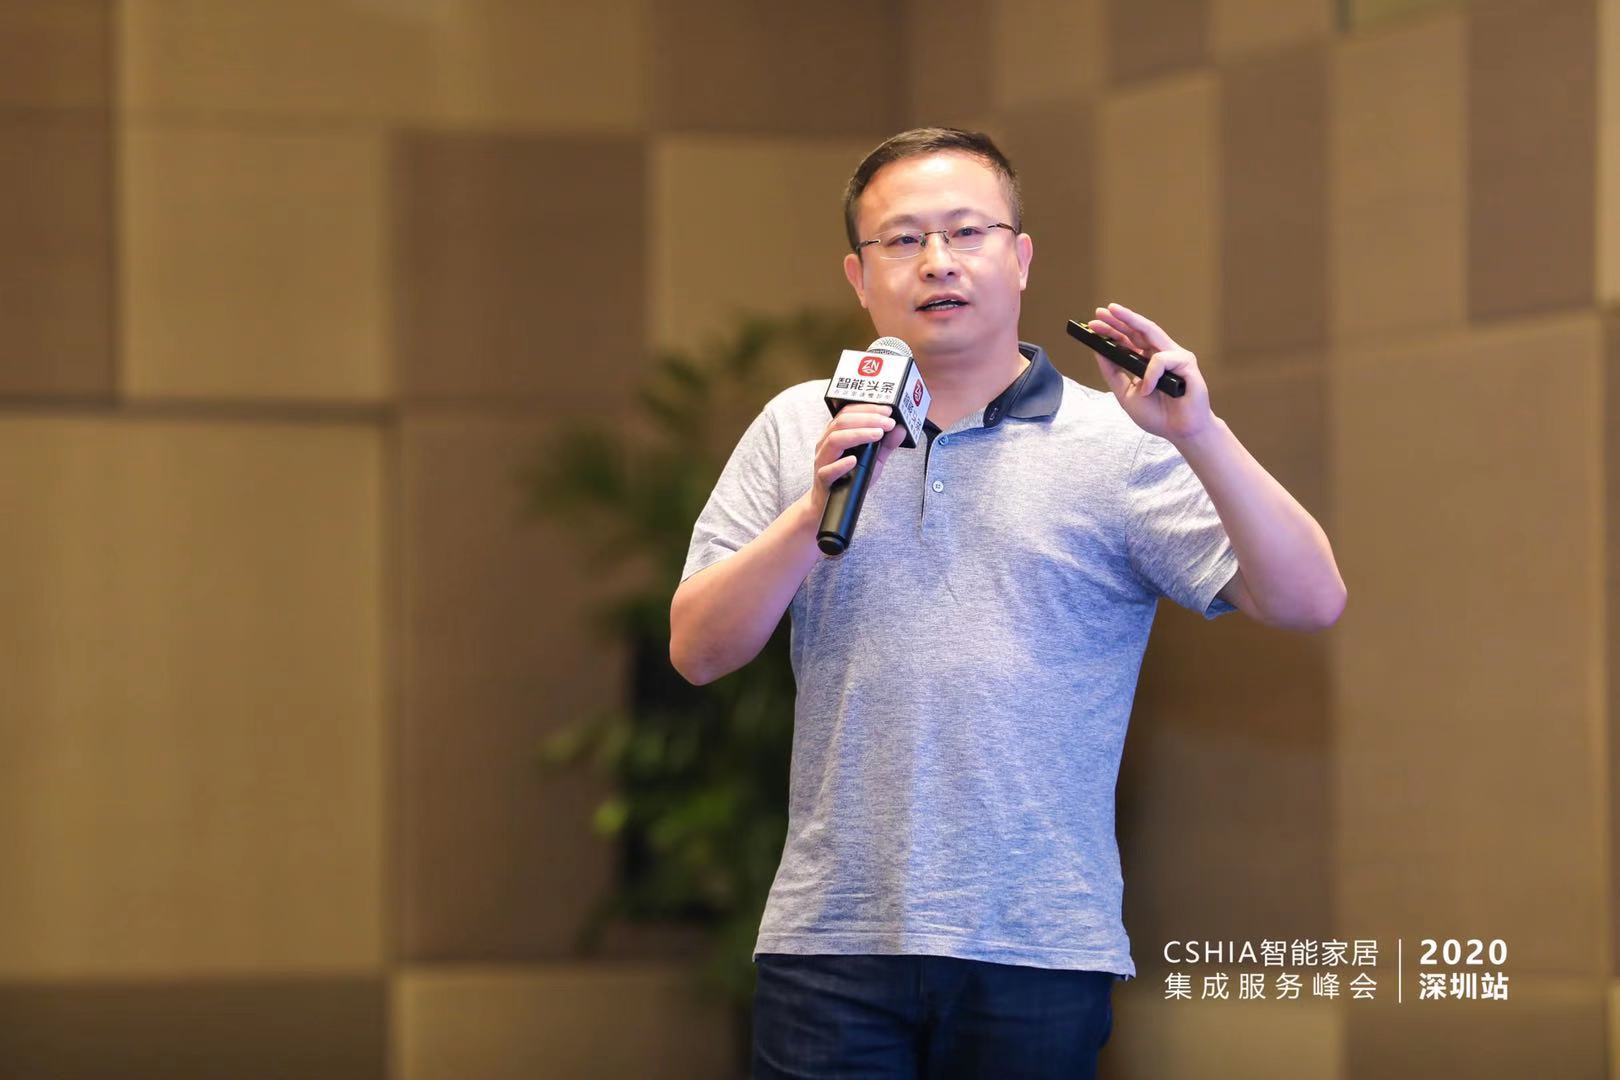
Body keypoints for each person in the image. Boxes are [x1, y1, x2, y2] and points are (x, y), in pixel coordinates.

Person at [669, 127, 1345, 1079]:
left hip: (1039, 943)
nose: (937, 262)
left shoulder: (1120, 442)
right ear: (859, 277)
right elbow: (698, 650)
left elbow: (1311, 599)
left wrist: (1199, 432)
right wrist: (812, 514)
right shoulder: (801, 426)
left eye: (966, 232)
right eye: (903, 240)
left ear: (1021, 259)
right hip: (832, 939)